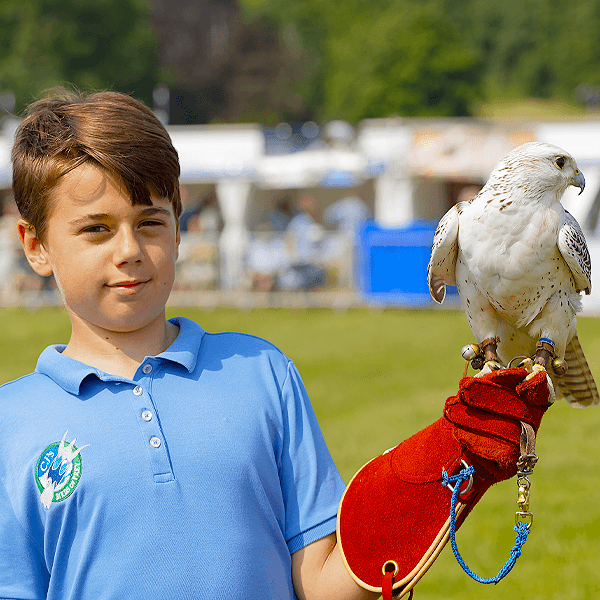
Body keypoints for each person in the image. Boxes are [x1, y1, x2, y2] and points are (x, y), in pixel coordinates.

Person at [0, 88, 550, 600]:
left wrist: (453, 461)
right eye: (95, 229)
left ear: (178, 227)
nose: (129, 250)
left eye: (149, 222)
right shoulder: (11, 424)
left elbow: (323, 583)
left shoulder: (261, 372)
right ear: (36, 245)